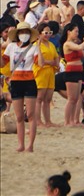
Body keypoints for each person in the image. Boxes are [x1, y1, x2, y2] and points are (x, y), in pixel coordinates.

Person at [3, 21, 40, 152]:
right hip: (16, 81)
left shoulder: (33, 48)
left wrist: (39, 47)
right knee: (19, 116)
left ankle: (30, 145)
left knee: (30, 114)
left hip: (29, 81)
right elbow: (2, 63)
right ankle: (21, 144)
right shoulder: (11, 47)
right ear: (17, 34)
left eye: (26, 32)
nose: (24, 34)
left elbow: (40, 63)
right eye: (22, 32)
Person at [60, 23, 84, 126]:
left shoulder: (74, 43)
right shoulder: (67, 44)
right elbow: (80, 47)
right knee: (71, 98)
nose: (77, 34)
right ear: (69, 32)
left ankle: (73, 120)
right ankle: (67, 121)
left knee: (77, 97)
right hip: (71, 72)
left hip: (78, 71)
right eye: (75, 31)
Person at [34, 22, 60, 128]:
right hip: (41, 73)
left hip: (50, 73)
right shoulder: (36, 45)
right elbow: (38, 61)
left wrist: (53, 63)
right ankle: (38, 121)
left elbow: (56, 58)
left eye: (50, 32)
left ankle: (48, 121)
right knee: (39, 98)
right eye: (46, 32)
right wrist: (50, 62)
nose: (48, 35)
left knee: (48, 98)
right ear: (40, 33)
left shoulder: (51, 45)